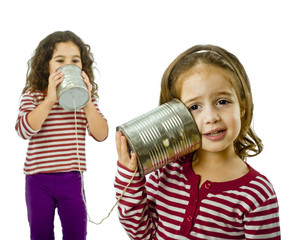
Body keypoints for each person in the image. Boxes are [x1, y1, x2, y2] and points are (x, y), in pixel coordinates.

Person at [114, 44, 280, 239]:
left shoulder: (257, 193)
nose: (211, 117)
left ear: (242, 106)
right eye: (194, 106)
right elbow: (141, 234)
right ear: (176, 114)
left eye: (222, 102)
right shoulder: (167, 170)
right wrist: (129, 178)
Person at [15, 30, 108, 240]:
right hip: (38, 180)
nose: (69, 65)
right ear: (45, 65)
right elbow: (23, 130)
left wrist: (88, 102)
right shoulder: (34, 95)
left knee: (76, 234)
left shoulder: (84, 100)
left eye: (75, 60)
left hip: (72, 179)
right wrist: (49, 100)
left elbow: (101, 134)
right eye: (60, 60)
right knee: (40, 234)